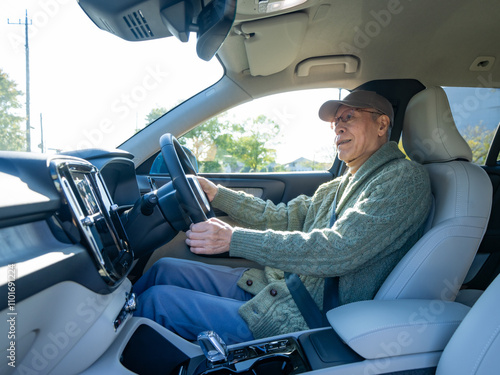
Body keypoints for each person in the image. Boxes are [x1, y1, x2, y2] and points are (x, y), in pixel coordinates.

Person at [133, 90, 432, 344]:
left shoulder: (403, 179)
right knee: (164, 270)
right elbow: (282, 217)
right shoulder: (339, 185)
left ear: (382, 125)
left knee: (155, 303)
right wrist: (218, 193)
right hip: (277, 287)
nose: (338, 128)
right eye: (336, 122)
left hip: (303, 318)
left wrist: (234, 240)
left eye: (348, 118)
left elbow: (338, 249)